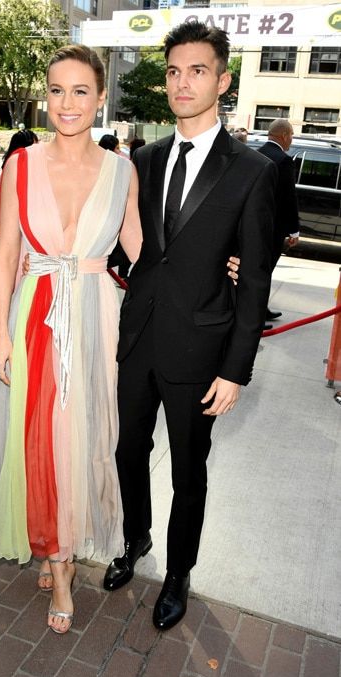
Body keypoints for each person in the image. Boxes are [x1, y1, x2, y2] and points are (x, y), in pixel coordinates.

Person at [103, 20, 277, 632]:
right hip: (138, 337)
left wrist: (235, 370)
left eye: (197, 70)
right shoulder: (141, 160)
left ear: (223, 80)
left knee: (188, 472)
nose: (183, 82)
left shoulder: (253, 171)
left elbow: (255, 280)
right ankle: (136, 540)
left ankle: (178, 574)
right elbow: (132, 249)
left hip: (201, 349)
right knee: (127, 450)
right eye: (174, 71)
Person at [0, 44, 142, 635]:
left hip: (99, 317)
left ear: (101, 97)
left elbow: (142, 252)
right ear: (45, 95)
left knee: (84, 438)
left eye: (81, 91)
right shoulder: (20, 165)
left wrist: (219, 267)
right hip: (35, 314)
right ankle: (56, 554)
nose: (67, 102)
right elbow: (6, 251)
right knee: (41, 437)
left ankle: (64, 552)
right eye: (57, 90)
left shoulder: (121, 170)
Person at [258, 119, 299, 323]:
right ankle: (255, 316)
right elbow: (288, 198)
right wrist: (294, 231)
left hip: (250, 225)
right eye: (291, 135)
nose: (291, 139)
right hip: (272, 229)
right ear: (284, 135)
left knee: (252, 270)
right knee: (263, 273)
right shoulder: (283, 161)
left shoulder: (254, 154)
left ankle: (260, 309)